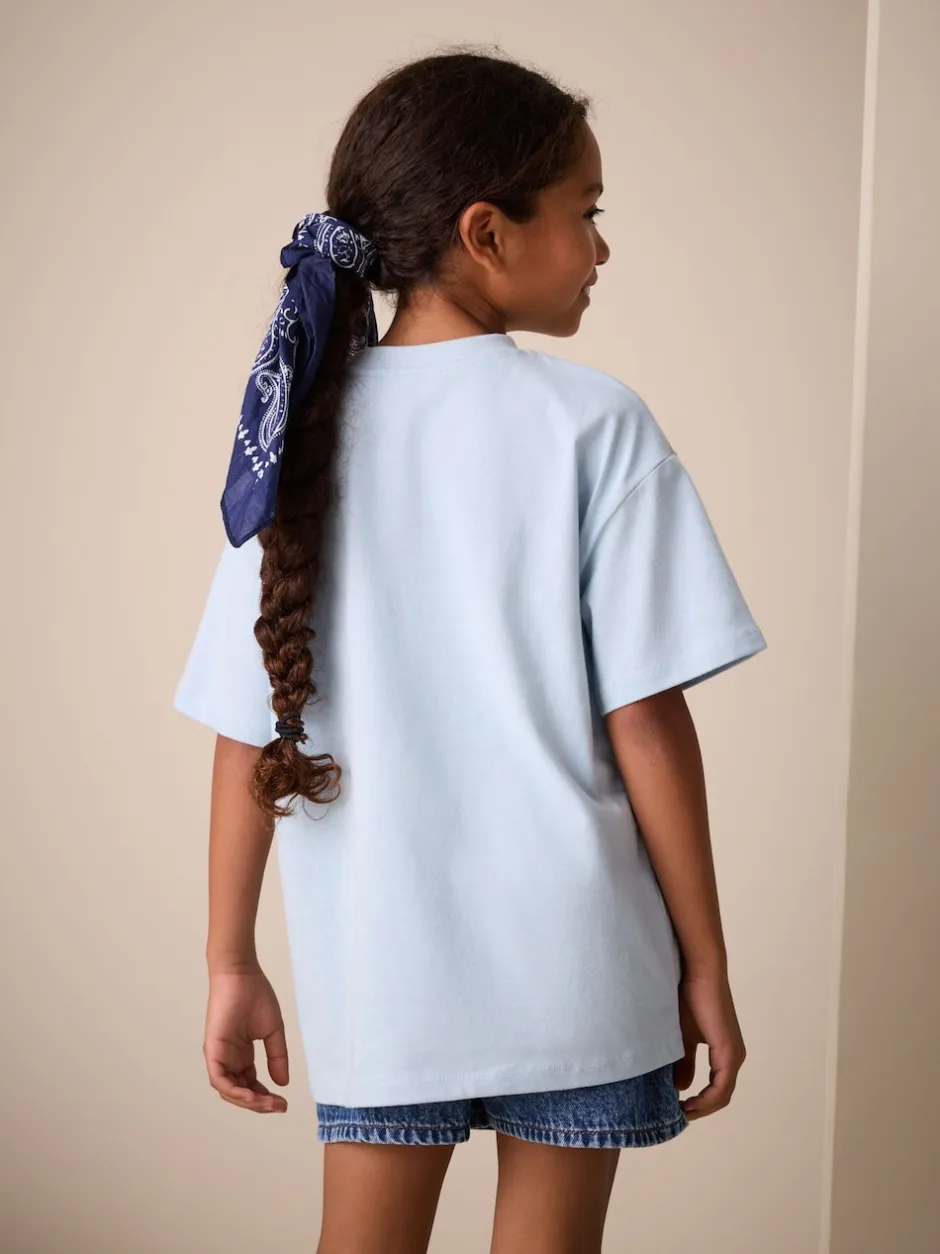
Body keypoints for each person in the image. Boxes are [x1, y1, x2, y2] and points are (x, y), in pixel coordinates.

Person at [173, 46, 768, 1254]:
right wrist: (704, 962)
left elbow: (247, 732)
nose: (601, 247)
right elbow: (645, 722)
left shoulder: (297, 441)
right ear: (486, 232)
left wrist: (230, 960)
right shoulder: (592, 425)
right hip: (582, 973)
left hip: (381, 982)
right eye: (587, 211)